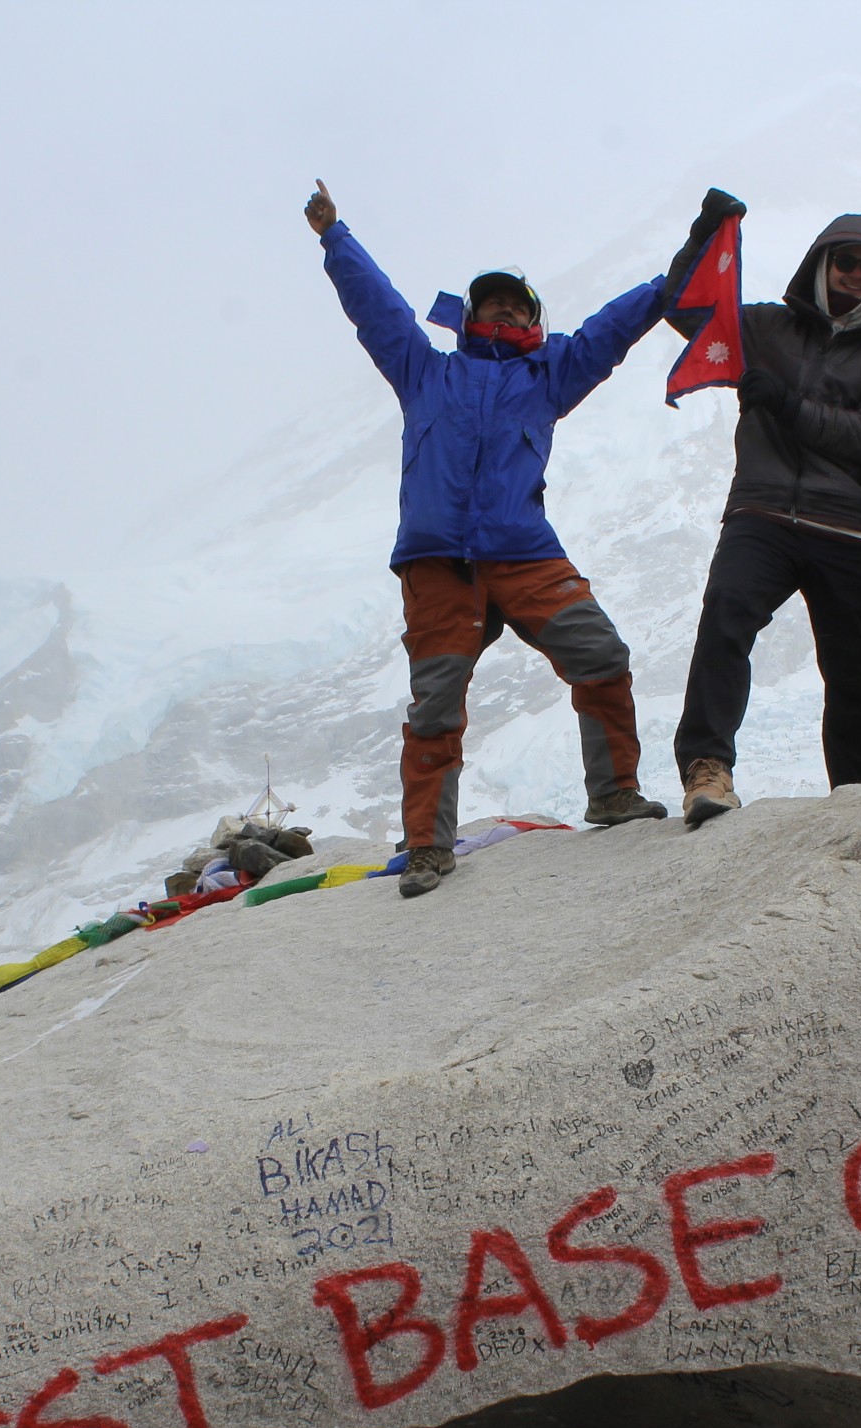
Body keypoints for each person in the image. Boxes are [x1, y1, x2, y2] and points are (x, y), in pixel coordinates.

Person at [305, 178, 673, 899]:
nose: (504, 310)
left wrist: (671, 282)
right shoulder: (426, 371)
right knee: (435, 708)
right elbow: (379, 312)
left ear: (534, 319)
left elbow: (609, 331)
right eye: (493, 303)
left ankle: (614, 793)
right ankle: (427, 849)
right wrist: (335, 237)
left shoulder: (550, 374)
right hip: (440, 563)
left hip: (522, 549)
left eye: (517, 304)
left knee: (600, 655)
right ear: (470, 317)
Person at [667, 201, 861, 827]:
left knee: (855, 675)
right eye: (846, 260)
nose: (856, 274)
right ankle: (707, 769)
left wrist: (785, 404)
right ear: (822, 262)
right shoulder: (761, 328)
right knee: (726, 619)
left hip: (847, 528)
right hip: (760, 511)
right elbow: (684, 308)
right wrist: (705, 234)